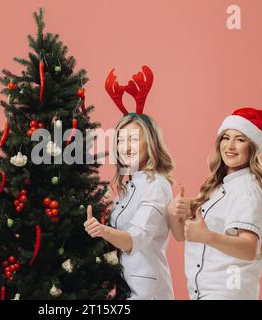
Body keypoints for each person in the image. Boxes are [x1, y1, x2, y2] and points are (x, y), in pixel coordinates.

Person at [168, 107, 262, 299]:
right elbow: (183, 236)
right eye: (226, 137)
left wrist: (207, 236)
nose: (230, 146)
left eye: (240, 139)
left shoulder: (247, 190)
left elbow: (248, 248)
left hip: (228, 292)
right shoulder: (219, 188)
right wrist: (174, 211)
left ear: (252, 147)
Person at [84, 66, 175, 299]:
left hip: (147, 291)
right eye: (120, 140)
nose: (125, 147)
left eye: (133, 139)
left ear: (151, 144)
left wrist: (102, 230)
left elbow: (136, 238)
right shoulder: (127, 188)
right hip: (125, 288)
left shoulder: (157, 186)